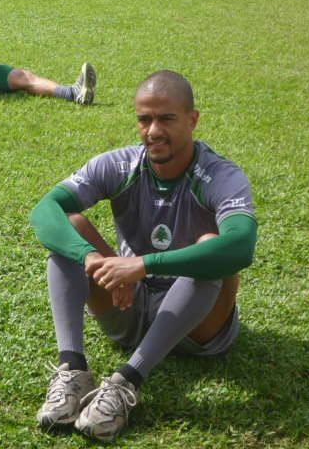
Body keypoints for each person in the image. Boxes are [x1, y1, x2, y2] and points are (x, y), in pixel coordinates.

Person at [29, 70, 257, 442]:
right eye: (144, 119)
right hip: (128, 309)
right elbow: (45, 210)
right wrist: (91, 259)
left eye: (166, 119)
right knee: (69, 230)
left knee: (209, 245)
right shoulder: (120, 165)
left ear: (192, 119)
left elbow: (241, 245)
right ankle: (72, 369)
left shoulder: (220, 175)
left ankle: (126, 381)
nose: (153, 130)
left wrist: (143, 265)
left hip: (197, 329)